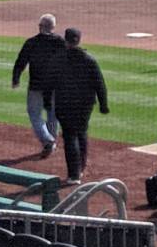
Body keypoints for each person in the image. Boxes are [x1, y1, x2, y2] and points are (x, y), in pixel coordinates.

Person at [54, 29, 108, 184]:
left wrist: (47, 101)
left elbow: (50, 81)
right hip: (85, 104)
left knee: (70, 136)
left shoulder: (59, 58)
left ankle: (74, 175)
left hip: (64, 103)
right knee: (82, 132)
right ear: (78, 40)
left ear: (66, 40)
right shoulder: (89, 59)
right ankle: (81, 166)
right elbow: (99, 84)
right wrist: (103, 104)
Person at [11, 14, 63, 158]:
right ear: (53, 27)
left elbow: (20, 62)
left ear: (40, 27)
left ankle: (48, 140)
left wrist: (16, 79)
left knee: (34, 113)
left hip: (36, 85)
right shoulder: (60, 42)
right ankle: (51, 141)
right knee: (53, 115)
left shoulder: (32, 42)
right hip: (55, 86)